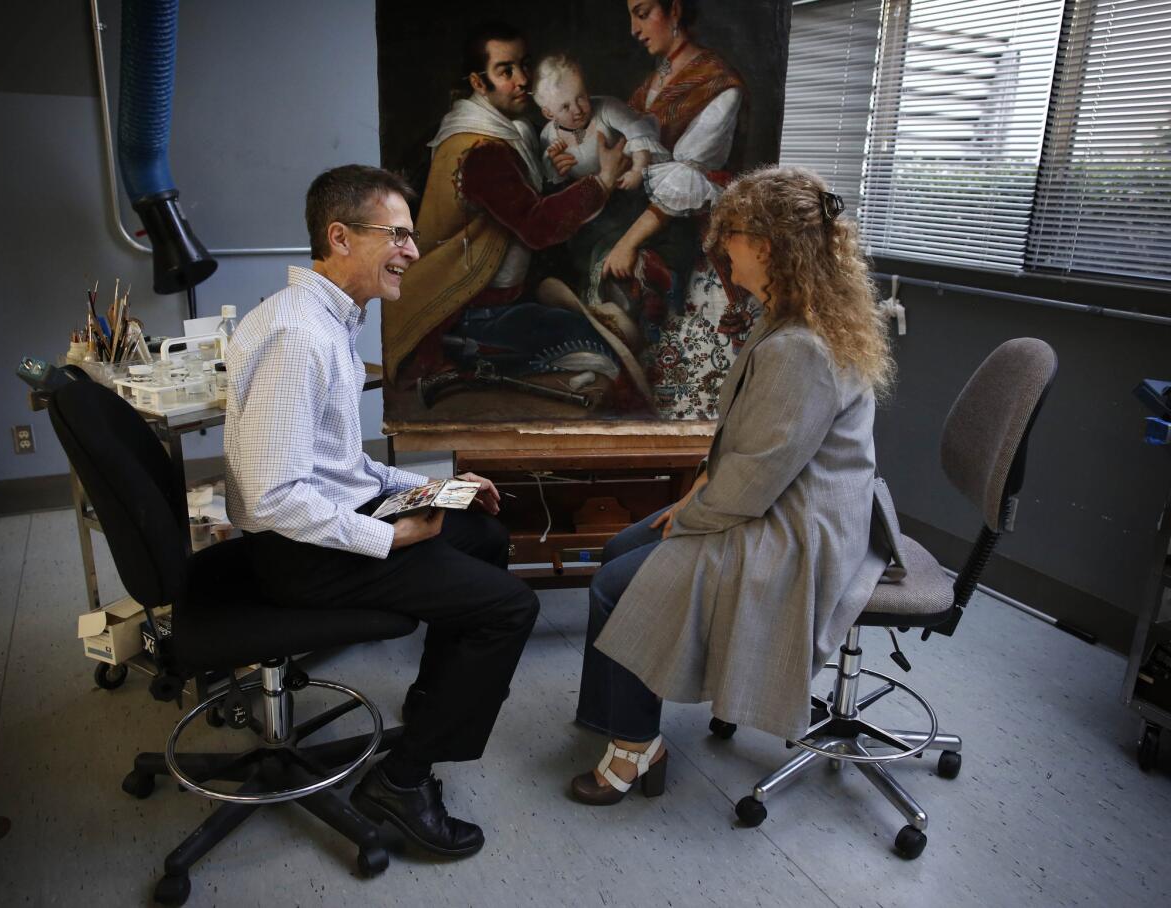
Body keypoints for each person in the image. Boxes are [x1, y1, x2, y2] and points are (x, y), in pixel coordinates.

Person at [224, 164, 539, 855]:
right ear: (340, 237)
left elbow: (340, 462)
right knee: (510, 608)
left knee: (482, 532)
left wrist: (430, 490)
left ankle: (433, 706)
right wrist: (387, 538)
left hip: (325, 518)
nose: (413, 251)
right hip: (299, 554)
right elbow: (277, 498)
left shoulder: (326, 319)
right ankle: (402, 780)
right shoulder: (298, 338)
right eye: (397, 235)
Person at [569, 166, 896, 805]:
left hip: (795, 525)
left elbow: (753, 484)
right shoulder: (790, 316)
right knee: (617, 552)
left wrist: (691, 514)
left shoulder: (801, 346)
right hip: (778, 493)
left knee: (617, 582)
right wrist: (696, 494)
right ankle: (614, 716)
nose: (724, 247)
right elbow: (751, 454)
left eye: (736, 234)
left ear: (770, 246)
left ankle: (636, 748)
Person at [382, 21, 644, 407]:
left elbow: (518, 207)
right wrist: (603, 180)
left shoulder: (505, 130)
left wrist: (552, 177)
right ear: (478, 81)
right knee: (605, 350)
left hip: (503, 300)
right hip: (468, 313)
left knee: (610, 327)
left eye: (524, 65)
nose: (523, 79)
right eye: (505, 71)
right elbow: (536, 226)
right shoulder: (481, 149)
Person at [593, 0, 755, 419]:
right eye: (630, 14)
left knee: (686, 400)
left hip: (705, 247)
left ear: (675, 10)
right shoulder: (651, 84)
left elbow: (684, 181)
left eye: (643, 12)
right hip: (656, 238)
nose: (633, 28)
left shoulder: (720, 84)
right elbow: (631, 157)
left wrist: (628, 242)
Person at [533, 53, 664, 188]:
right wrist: (556, 170)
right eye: (565, 107)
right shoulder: (548, 136)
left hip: (628, 182)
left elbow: (640, 136)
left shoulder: (607, 108)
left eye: (580, 97)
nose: (578, 110)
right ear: (548, 113)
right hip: (593, 195)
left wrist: (637, 171)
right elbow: (556, 179)